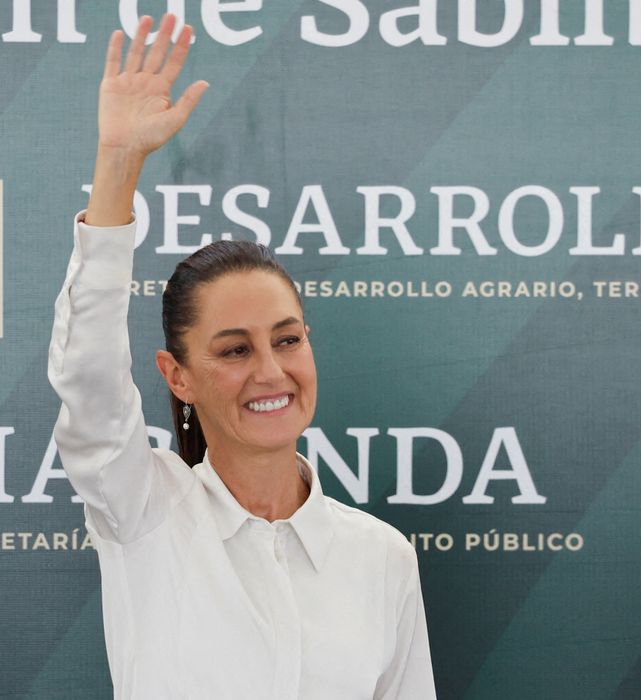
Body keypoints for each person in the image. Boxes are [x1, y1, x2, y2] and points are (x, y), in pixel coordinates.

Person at [48, 14, 436, 699]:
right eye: (234, 350)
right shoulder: (143, 512)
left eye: (287, 339)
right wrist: (117, 167)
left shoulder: (382, 558)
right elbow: (89, 379)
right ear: (179, 376)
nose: (270, 371)